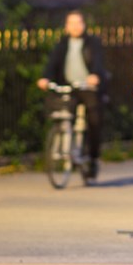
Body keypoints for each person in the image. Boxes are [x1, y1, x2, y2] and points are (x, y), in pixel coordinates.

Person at [37, 10, 109, 180]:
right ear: (66, 26)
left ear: (83, 25)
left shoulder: (92, 43)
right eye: (71, 23)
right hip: (68, 86)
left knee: (94, 120)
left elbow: (98, 62)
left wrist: (95, 76)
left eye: (78, 23)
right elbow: (52, 63)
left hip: (87, 87)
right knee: (64, 112)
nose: (75, 27)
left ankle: (93, 159)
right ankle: (64, 146)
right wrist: (45, 78)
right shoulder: (62, 44)